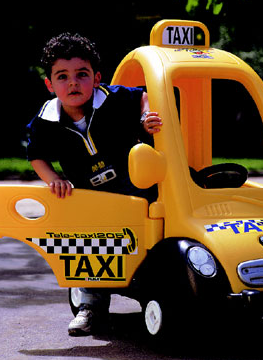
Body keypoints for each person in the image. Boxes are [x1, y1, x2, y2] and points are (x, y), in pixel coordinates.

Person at [26, 32, 162, 336]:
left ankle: (158, 290)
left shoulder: (113, 99)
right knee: (89, 241)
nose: (73, 83)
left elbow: (142, 96)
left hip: (133, 186)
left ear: (97, 78)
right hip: (89, 194)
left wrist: (145, 117)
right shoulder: (46, 120)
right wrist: (54, 179)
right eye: (62, 76)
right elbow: (36, 155)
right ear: (50, 84)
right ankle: (90, 305)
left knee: (151, 232)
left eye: (82, 74)